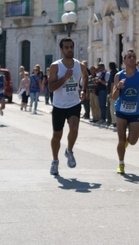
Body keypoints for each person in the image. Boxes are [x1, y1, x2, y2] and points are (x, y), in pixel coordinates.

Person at [48, 37, 88, 176]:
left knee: (74, 128)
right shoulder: (55, 66)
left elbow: (85, 76)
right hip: (59, 105)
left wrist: (83, 89)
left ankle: (69, 151)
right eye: (66, 47)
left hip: (74, 103)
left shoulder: (80, 65)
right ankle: (55, 161)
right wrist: (65, 78)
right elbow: (51, 88)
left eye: (71, 47)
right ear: (61, 49)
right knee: (57, 135)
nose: (69, 49)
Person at [111, 50, 139, 174]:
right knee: (121, 140)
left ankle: (124, 143)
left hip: (135, 112)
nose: (131, 58)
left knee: (133, 141)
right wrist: (118, 87)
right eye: (129, 57)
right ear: (124, 60)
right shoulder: (118, 76)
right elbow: (114, 97)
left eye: (134, 57)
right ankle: (121, 164)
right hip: (121, 110)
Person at [107, 62, 118, 127]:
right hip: (116, 92)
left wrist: (112, 93)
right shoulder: (116, 72)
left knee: (113, 107)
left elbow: (112, 84)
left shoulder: (113, 73)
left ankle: (114, 121)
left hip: (113, 93)